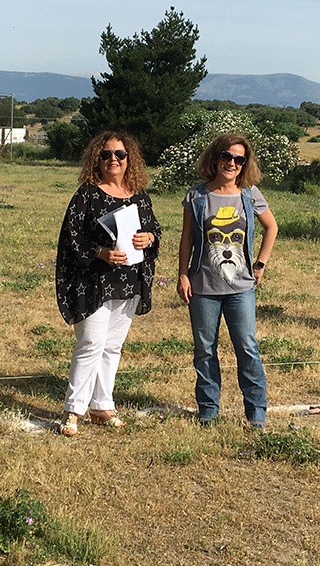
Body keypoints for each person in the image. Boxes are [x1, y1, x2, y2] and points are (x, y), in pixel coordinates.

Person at [54, 131, 160, 436]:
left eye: (120, 154)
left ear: (130, 159)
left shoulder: (140, 196)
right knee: (90, 343)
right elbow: (71, 238)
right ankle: (73, 409)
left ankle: (102, 406)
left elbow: (155, 231)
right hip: (94, 282)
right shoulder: (86, 195)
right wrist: (100, 252)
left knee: (112, 346)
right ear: (96, 159)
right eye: (106, 154)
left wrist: (149, 238)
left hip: (128, 281)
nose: (113, 159)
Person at [177, 133, 278, 428]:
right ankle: (208, 410)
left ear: (245, 164)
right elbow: (187, 238)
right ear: (215, 157)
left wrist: (260, 264)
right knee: (204, 350)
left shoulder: (250, 194)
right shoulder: (196, 196)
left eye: (239, 159)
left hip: (241, 288)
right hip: (202, 287)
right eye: (226, 156)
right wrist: (183, 274)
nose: (231, 163)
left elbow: (272, 227)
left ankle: (256, 412)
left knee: (247, 347)